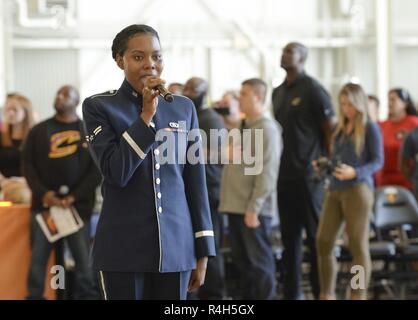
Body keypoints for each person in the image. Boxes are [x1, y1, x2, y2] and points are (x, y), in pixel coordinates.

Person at [82, 24, 216, 300]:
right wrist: (145, 117)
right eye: (138, 56)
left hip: (177, 247)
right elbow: (116, 172)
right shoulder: (99, 107)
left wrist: (203, 247)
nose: (150, 65)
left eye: (157, 56)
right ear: (120, 60)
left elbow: (195, 181)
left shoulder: (183, 107)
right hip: (123, 249)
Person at [23, 85, 101, 299]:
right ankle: (34, 296)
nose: (59, 96)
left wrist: (73, 196)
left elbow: (97, 171)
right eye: (58, 93)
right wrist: (43, 194)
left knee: (84, 264)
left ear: (76, 101)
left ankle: (87, 296)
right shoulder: (38, 131)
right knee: (38, 262)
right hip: (44, 208)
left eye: (66, 94)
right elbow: (28, 166)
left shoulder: (89, 132)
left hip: (77, 209)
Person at [272, 42, 336, 300]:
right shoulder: (277, 92)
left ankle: (322, 293)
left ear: (302, 58)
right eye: (283, 50)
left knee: (316, 241)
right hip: (284, 176)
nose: (284, 54)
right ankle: (292, 294)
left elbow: (330, 128)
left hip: (310, 178)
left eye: (289, 51)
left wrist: (325, 165)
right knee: (290, 243)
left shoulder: (313, 89)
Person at [315, 83, 384, 300]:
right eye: (343, 104)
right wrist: (324, 165)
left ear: (359, 103)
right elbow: (338, 160)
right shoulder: (339, 129)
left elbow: (377, 161)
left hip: (357, 190)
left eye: (349, 104)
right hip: (335, 189)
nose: (345, 109)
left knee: (357, 243)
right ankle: (327, 293)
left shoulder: (369, 128)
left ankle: (357, 293)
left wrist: (356, 172)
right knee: (323, 241)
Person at [219, 78, 282, 300]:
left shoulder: (267, 129)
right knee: (243, 265)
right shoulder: (242, 126)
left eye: (244, 94)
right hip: (235, 206)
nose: (239, 98)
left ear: (257, 97)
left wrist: (254, 207)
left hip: (252, 210)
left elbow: (267, 173)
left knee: (259, 265)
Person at [183, 77, 226, 299]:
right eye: (186, 88)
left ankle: (215, 297)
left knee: (210, 249)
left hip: (210, 191)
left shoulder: (212, 119)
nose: (188, 92)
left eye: (193, 89)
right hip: (193, 192)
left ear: (204, 93)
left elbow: (219, 155)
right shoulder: (189, 115)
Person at [376, 88, 418, 189]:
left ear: (404, 104)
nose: (389, 103)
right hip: (384, 179)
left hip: (407, 180)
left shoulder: (414, 123)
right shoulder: (382, 125)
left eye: (393, 100)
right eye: (388, 100)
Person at [0, 93, 35, 203]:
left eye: (14, 110)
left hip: (27, 186)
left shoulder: (35, 136)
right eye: (7, 109)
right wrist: (3, 182)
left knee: (22, 195)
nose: (10, 113)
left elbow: (41, 166)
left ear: (25, 112)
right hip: (4, 185)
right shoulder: (1, 136)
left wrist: (24, 181)